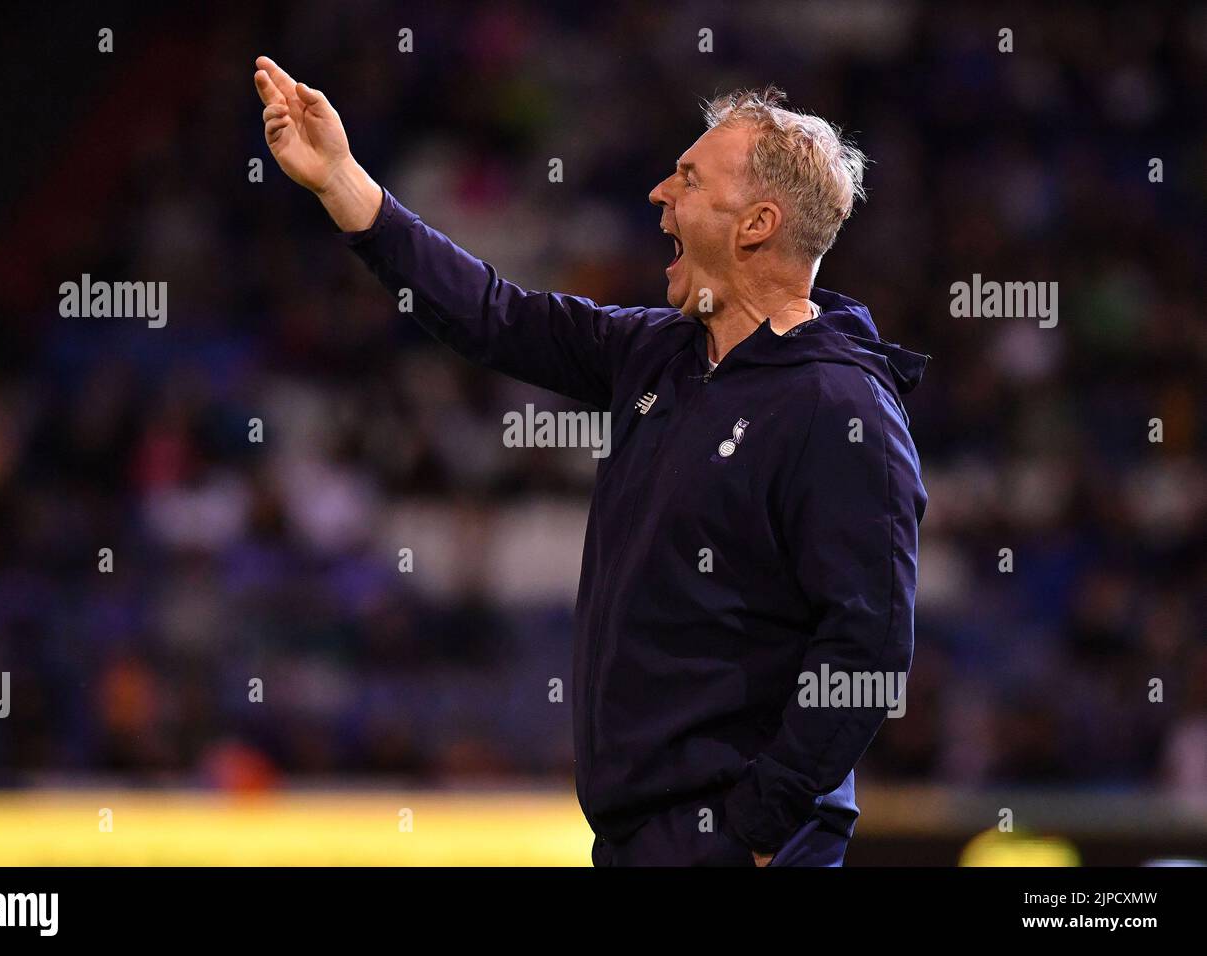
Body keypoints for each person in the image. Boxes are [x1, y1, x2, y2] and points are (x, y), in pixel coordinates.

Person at [254, 55, 928, 866]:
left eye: (687, 178)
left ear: (755, 224)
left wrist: (762, 827)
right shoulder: (657, 353)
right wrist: (344, 184)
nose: (658, 194)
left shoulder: (840, 407)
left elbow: (871, 647)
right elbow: (492, 315)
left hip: (743, 844)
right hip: (636, 837)